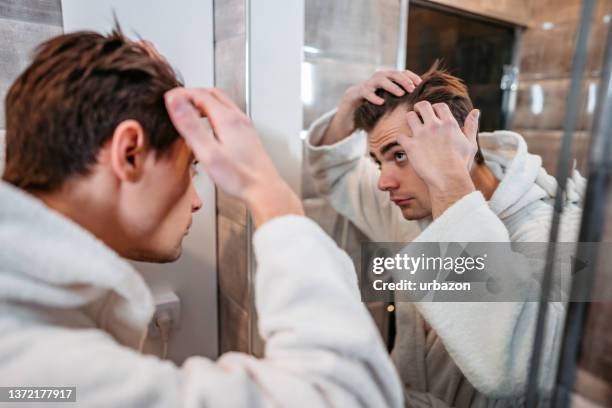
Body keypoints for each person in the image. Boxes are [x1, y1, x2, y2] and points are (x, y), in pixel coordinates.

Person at [0, 28, 404, 407]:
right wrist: (270, 188)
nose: (384, 180)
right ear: (129, 154)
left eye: (400, 154)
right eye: (190, 166)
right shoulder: (37, 364)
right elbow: (344, 395)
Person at [305, 62, 585, 407]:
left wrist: (450, 182)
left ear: (460, 144)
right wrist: (348, 105)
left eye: (401, 155)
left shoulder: (553, 233)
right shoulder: (412, 210)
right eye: (380, 162)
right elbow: (338, 172)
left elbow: (514, 364)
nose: (383, 181)